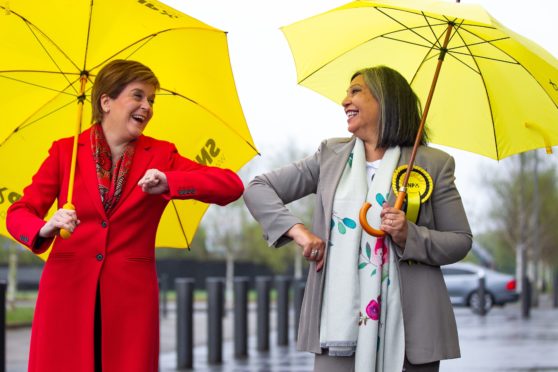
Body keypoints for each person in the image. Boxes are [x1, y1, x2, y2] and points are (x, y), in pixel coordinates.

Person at [6, 59, 244, 372]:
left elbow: (231, 185)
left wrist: (170, 181)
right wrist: (46, 227)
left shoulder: (161, 155)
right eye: (138, 95)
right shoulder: (66, 152)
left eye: (151, 100)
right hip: (65, 295)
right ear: (106, 101)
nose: (147, 106)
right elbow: (18, 212)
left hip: (131, 300)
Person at [243, 65, 472, 372]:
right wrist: (300, 233)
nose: (344, 100)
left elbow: (460, 240)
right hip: (337, 327)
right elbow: (259, 189)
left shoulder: (433, 164)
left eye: (355, 91)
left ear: (385, 100)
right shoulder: (329, 156)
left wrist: (409, 235)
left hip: (412, 332)